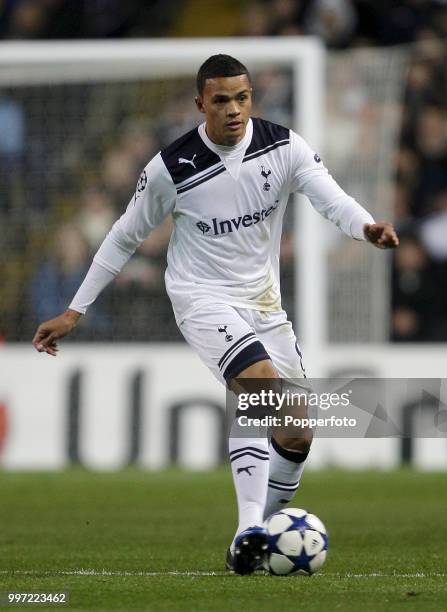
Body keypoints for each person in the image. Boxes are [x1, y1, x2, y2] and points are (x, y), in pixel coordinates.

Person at [32, 54, 399, 574]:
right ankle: (249, 526)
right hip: (200, 297)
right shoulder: (170, 168)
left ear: (252, 98)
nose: (233, 110)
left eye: (242, 98)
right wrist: (74, 309)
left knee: (297, 430)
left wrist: (365, 227)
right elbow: (123, 237)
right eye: (221, 100)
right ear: (200, 104)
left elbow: (332, 200)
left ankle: (251, 544)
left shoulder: (284, 146)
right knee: (259, 386)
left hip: (264, 303)